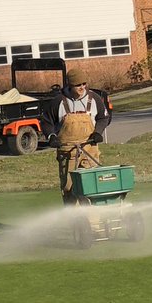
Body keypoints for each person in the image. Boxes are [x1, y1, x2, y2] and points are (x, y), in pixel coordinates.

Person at [41, 68, 112, 205]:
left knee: (90, 187)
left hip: (89, 149)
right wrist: (51, 136)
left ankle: (93, 222)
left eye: (84, 84)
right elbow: (46, 121)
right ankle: (74, 222)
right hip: (67, 152)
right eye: (78, 85)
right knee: (69, 188)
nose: (82, 87)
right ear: (69, 85)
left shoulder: (94, 98)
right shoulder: (58, 101)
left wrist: (98, 132)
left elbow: (104, 118)